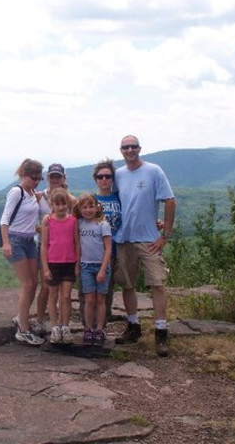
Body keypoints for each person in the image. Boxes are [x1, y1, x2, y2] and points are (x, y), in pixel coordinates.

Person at [113, 135, 176, 357]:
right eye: (125, 147)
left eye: (133, 146)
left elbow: (170, 200)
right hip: (125, 238)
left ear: (140, 148)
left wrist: (165, 234)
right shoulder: (118, 174)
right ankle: (133, 326)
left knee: (157, 283)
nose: (130, 150)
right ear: (121, 151)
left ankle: (161, 330)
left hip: (149, 238)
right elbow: (111, 202)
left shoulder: (153, 170)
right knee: (128, 285)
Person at [0, 158, 47, 345]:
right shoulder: (16, 192)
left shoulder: (32, 192)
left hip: (30, 241)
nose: (36, 181)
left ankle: (22, 317)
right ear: (24, 175)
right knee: (28, 283)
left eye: (39, 178)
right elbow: (4, 219)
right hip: (16, 240)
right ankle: (23, 329)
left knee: (33, 283)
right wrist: (6, 243)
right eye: (33, 177)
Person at [33, 163, 77, 335]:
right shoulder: (39, 196)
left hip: (65, 250)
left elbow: (77, 220)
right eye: (52, 176)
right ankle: (40, 320)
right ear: (48, 178)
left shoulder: (71, 200)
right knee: (46, 286)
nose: (55, 179)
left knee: (63, 292)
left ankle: (61, 325)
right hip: (45, 246)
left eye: (58, 176)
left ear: (64, 178)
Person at [39, 188, 79, 345]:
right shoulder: (48, 222)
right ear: (52, 205)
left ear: (67, 204)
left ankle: (65, 326)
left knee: (66, 296)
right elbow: (43, 246)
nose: (61, 207)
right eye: (57, 204)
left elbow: (77, 243)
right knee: (53, 296)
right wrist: (45, 268)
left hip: (69, 263)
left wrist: (77, 264)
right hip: (53, 263)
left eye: (64, 204)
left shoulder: (73, 221)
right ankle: (55, 327)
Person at [75, 193, 113, 346]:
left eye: (91, 206)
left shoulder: (103, 224)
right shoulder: (79, 223)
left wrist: (103, 269)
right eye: (84, 207)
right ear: (80, 209)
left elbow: (108, 248)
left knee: (101, 299)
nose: (88, 210)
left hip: (101, 266)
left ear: (97, 207)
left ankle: (99, 329)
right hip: (86, 266)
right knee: (89, 299)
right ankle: (88, 329)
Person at [91, 160, 121, 323]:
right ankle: (89, 324)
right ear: (95, 179)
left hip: (115, 251)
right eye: (100, 176)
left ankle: (102, 324)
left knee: (107, 290)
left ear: (112, 178)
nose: (104, 180)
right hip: (93, 253)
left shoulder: (120, 198)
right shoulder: (90, 201)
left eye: (107, 176)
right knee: (89, 291)